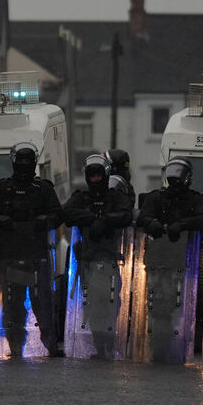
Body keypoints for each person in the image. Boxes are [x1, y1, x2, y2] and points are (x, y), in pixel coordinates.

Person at [0, 142, 62, 357]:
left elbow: (58, 214)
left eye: (27, 163)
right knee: (13, 302)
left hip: (37, 255)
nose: (23, 167)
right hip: (11, 256)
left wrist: (44, 221)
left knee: (43, 302)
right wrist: (1, 220)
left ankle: (50, 342)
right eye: (20, 163)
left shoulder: (43, 189)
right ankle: (15, 345)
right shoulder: (3, 188)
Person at [134, 158, 203, 363]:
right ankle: (158, 348)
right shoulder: (156, 198)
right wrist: (153, 223)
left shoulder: (195, 200)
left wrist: (182, 225)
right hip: (157, 262)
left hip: (184, 264)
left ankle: (172, 348)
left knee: (179, 307)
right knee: (157, 307)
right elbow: (142, 217)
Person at [62, 153, 134, 359]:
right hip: (87, 260)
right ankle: (99, 346)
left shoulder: (115, 197)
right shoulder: (82, 197)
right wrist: (92, 219)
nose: (95, 180)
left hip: (109, 260)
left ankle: (108, 344)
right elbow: (65, 214)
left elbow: (127, 214)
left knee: (110, 303)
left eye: (98, 175)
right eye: (91, 176)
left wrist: (105, 221)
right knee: (92, 305)